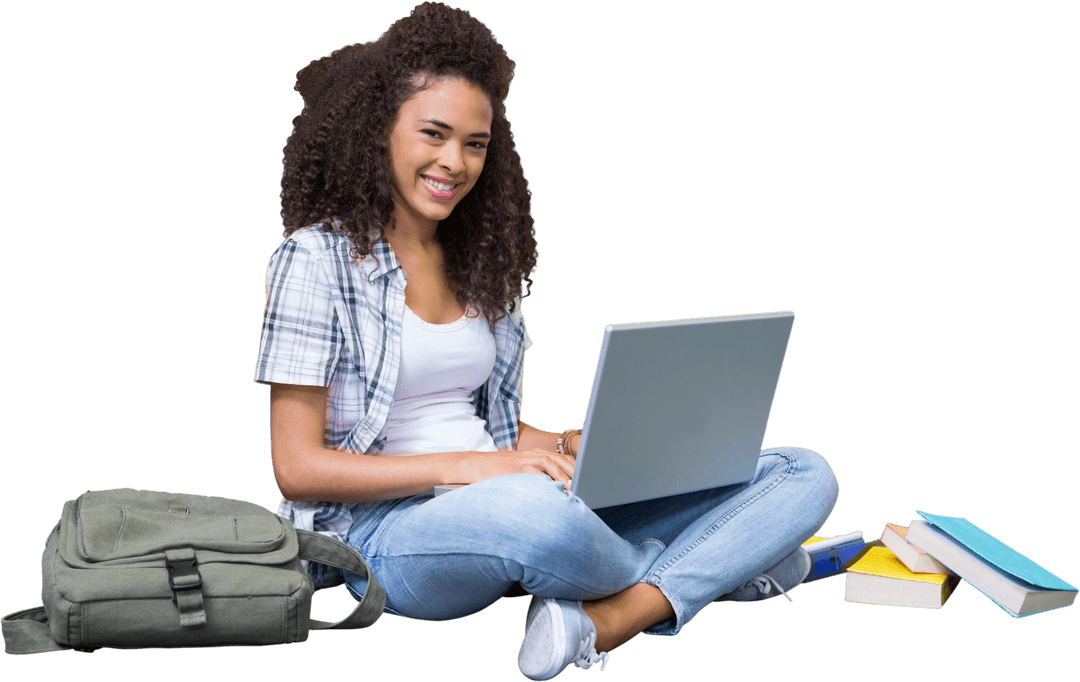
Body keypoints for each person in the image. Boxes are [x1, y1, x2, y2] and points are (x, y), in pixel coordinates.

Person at [255, 3, 838, 679]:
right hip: (385, 535)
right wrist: (473, 470)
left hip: (510, 493)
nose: (454, 162)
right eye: (434, 134)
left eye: (475, 144)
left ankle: (617, 612)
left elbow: (495, 432)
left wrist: (568, 448)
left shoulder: (480, 267)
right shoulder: (315, 259)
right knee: (542, 518)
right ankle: (722, 562)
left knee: (803, 472)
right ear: (379, 129)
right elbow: (298, 467)